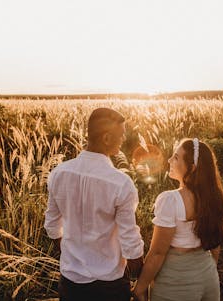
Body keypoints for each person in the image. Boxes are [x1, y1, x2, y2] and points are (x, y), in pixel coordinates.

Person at [44, 107, 144, 301]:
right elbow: (129, 241)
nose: (123, 140)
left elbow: (52, 227)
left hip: (70, 282)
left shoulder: (59, 173)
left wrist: (73, 255)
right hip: (109, 286)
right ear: (106, 138)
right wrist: (141, 279)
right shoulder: (120, 183)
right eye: (121, 135)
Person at [133, 138, 223, 301]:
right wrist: (207, 272)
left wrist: (139, 288)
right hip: (208, 276)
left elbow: (157, 253)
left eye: (176, 157)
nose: (169, 160)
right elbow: (215, 247)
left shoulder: (170, 200)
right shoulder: (214, 197)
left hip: (176, 281)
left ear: (192, 168)